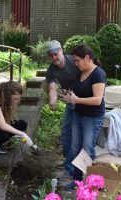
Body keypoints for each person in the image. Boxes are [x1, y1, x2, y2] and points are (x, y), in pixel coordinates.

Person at [62, 44, 106, 190]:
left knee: (87, 149)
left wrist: (76, 100)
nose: (75, 63)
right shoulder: (79, 72)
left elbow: (97, 100)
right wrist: (68, 96)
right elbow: (77, 91)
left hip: (92, 118)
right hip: (78, 114)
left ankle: (90, 183)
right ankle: (76, 181)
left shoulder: (98, 74)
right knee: (75, 148)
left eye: (77, 60)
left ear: (87, 58)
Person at [45, 40, 79, 178]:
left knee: (77, 137)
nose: (54, 58)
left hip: (84, 101)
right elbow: (52, 88)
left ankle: (73, 169)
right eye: (50, 56)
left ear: (61, 51)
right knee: (66, 135)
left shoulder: (74, 61)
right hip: (70, 102)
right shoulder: (51, 71)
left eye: (55, 54)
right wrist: (52, 102)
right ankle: (69, 164)